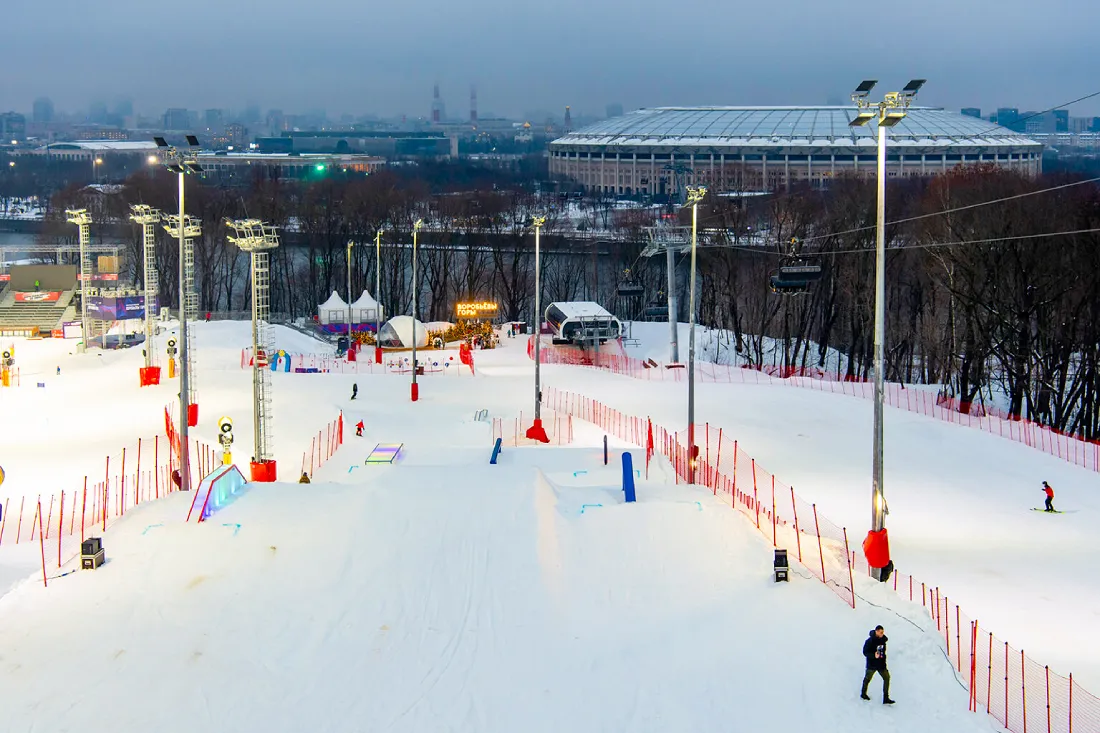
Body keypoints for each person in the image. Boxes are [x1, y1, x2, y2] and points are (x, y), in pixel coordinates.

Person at [861, 625, 895, 704]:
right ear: (876, 631)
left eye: (883, 632)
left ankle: (886, 698)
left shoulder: (883, 640)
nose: (882, 634)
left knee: (887, 678)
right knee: (867, 679)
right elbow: (865, 652)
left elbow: (883, 652)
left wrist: (883, 660)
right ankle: (863, 694)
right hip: (872, 664)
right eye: (881, 632)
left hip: (881, 664)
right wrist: (873, 655)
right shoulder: (869, 641)